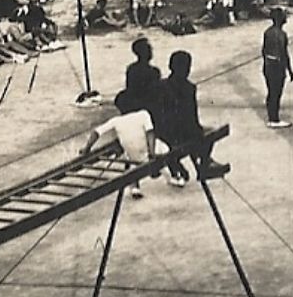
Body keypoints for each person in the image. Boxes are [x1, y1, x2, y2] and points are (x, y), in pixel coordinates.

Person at [157, 50, 230, 187]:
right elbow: (191, 115)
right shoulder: (189, 88)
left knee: (200, 132)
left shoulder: (161, 85)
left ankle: (200, 161)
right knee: (210, 133)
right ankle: (204, 162)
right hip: (180, 134)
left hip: (164, 132)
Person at [81, 96, 167, 201]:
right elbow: (150, 134)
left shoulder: (116, 121)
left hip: (133, 156)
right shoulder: (143, 114)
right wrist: (152, 153)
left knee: (129, 158)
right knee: (165, 148)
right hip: (147, 153)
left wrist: (87, 148)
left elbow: (96, 132)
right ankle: (172, 174)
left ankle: (134, 187)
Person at [261, 7, 293, 129]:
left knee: (271, 92)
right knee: (276, 92)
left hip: (268, 64)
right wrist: (290, 70)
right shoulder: (281, 34)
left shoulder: (267, 32)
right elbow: (284, 53)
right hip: (277, 65)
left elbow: (263, 50)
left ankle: (272, 116)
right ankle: (274, 118)